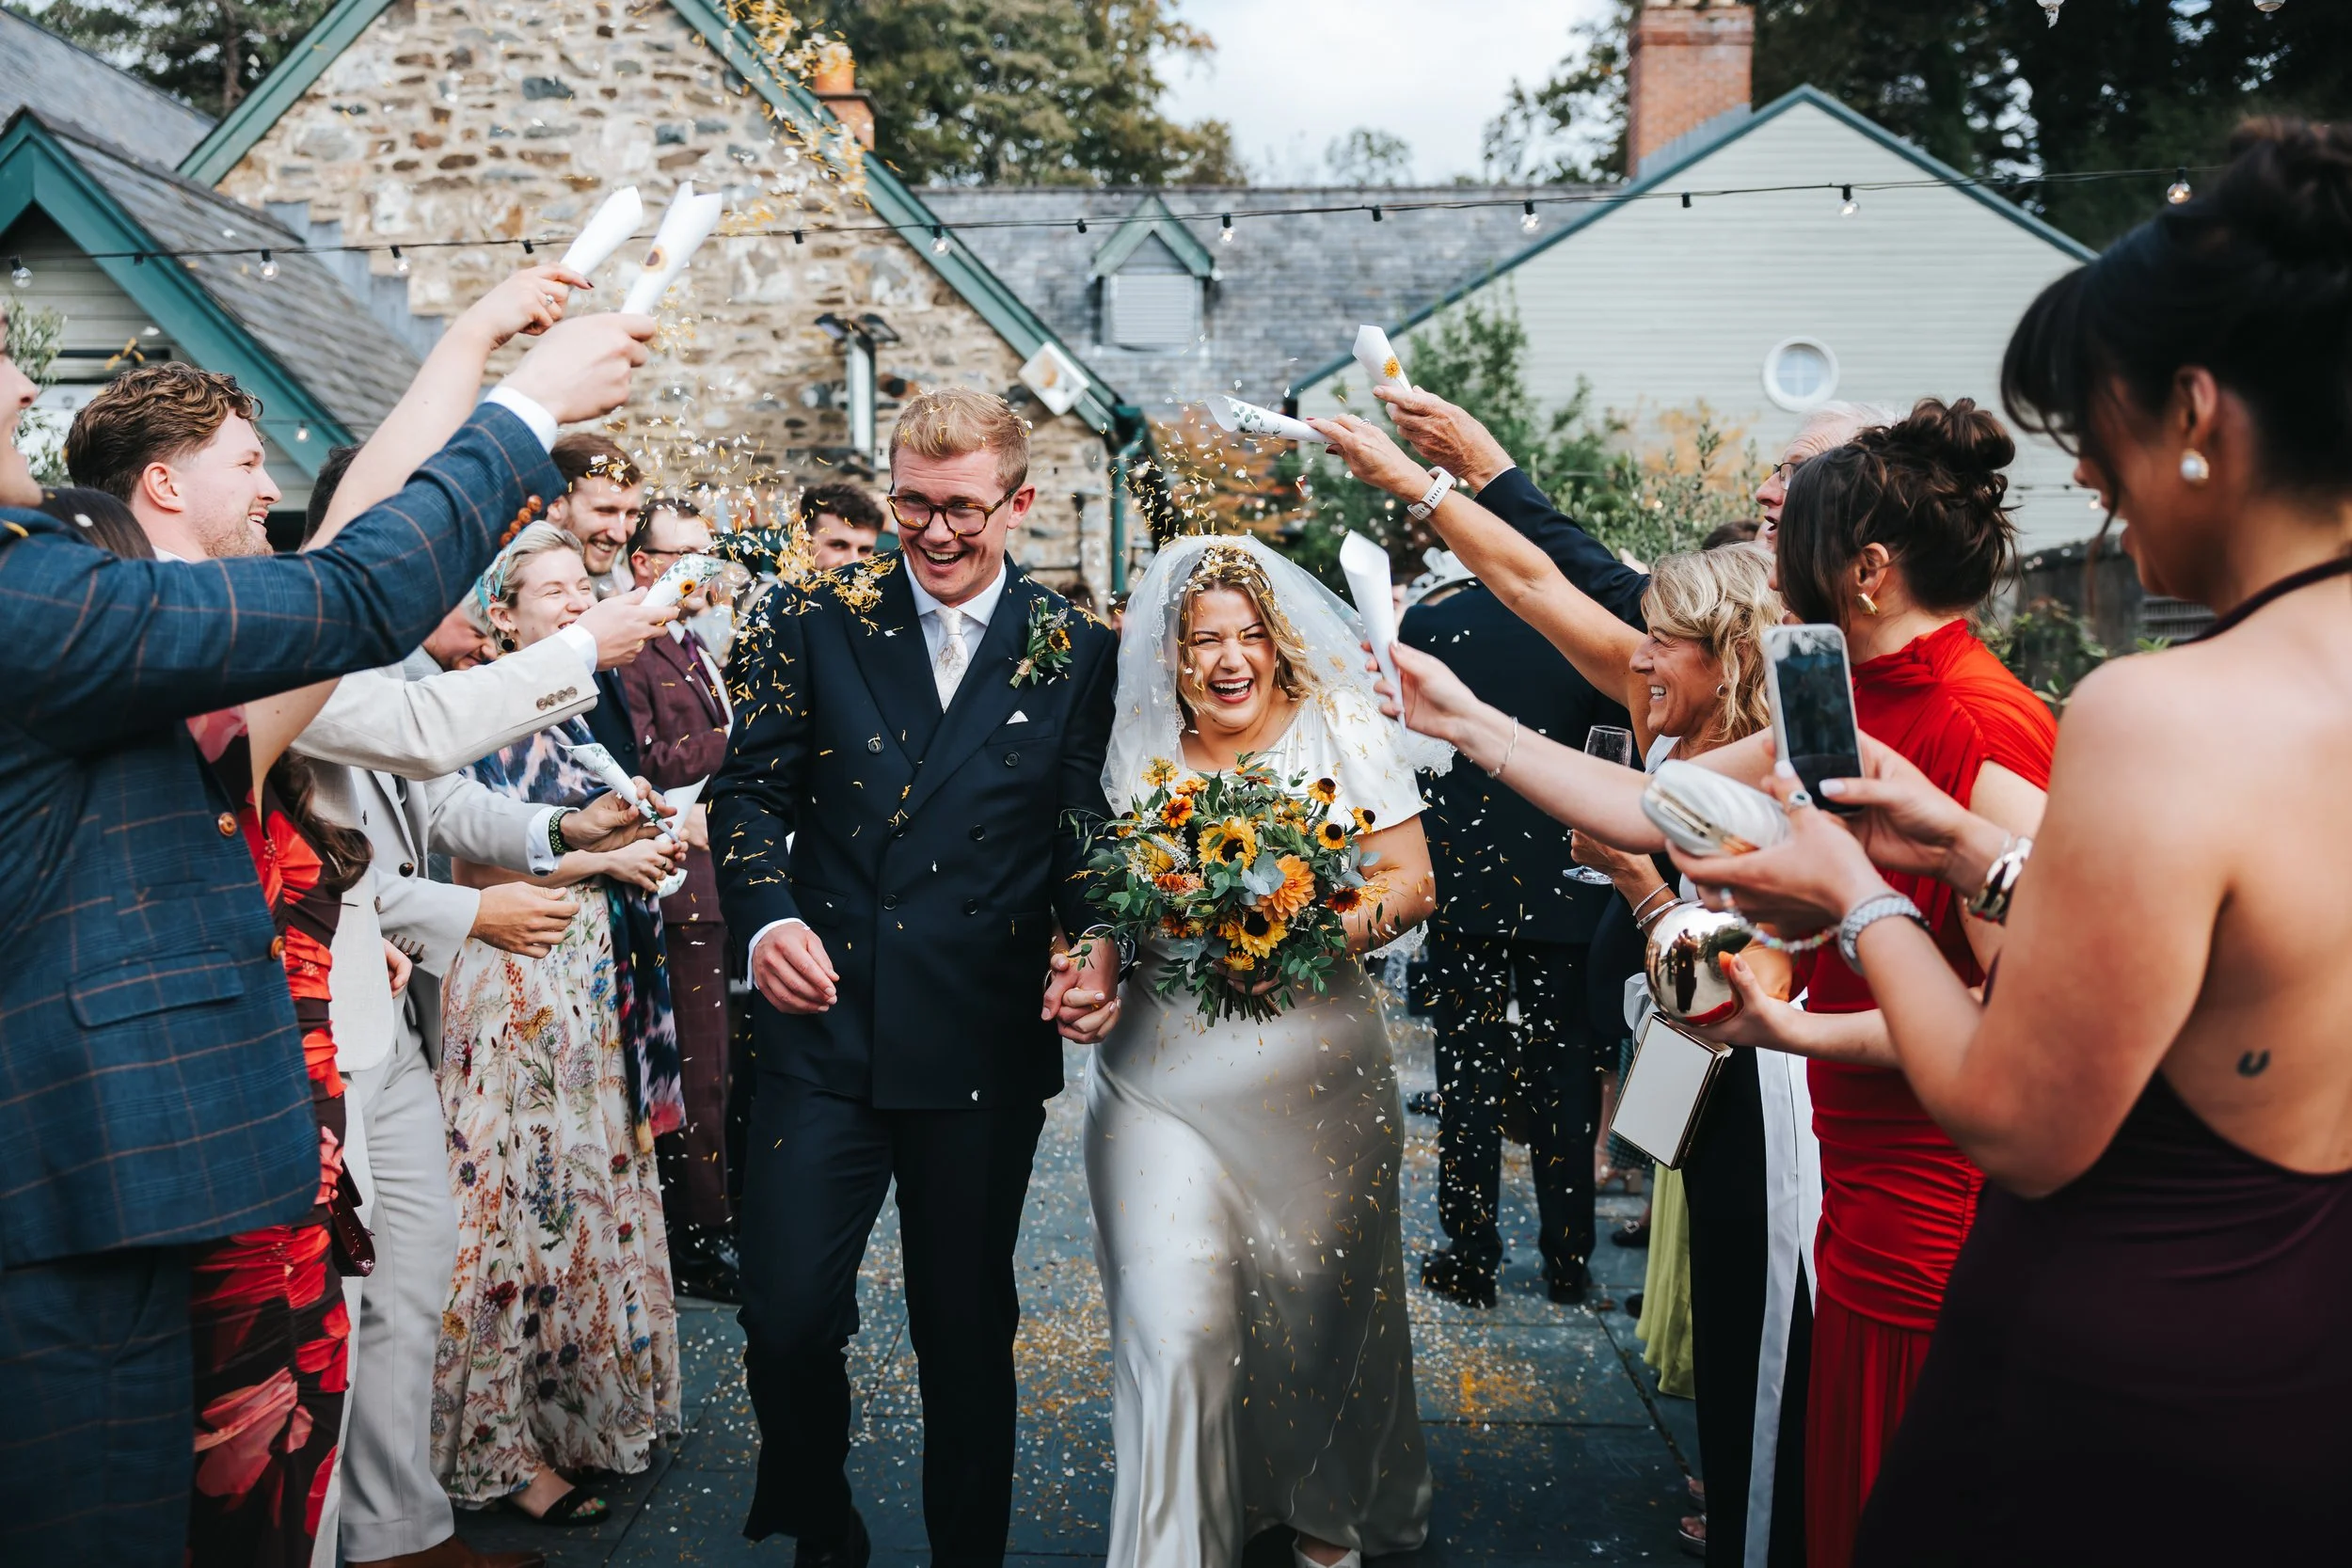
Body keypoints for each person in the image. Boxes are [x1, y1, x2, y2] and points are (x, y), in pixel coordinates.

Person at [1676, 116, 2352, 1568]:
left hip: (2118, 1364)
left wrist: (1859, 892)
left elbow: (2015, 1115)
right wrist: (1976, 857)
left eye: (2095, 439)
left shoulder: (2159, 711)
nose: (2093, 492)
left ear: (2194, 410)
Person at [0, 296, 653, 1567]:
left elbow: (343, 575)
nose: (20, 386)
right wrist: (524, 414)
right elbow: (357, 600)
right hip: (101, 1167)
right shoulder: (43, 607)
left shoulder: (165, 684)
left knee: (262, 1452)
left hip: (197, 1155)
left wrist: (469, 353)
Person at [1315, 406, 1809, 1568]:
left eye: (1658, 639)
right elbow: (1537, 582)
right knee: (1712, 1292)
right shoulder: (1671, 709)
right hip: (1670, 1038)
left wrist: (1641, 889)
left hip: (1752, 1073)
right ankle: (1732, 1481)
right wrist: (1428, 483)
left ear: (1726, 654)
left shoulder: (1759, 769)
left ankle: (1753, 1514)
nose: (1633, 651)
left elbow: (1739, 966)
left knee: (1756, 1317)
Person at [286, 265, 675, 1568]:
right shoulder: (308, 648)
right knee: (349, 1293)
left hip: (388, 1013)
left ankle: (401, 1524)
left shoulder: (387, 644)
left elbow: (444, 798)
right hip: (332, 1020)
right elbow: (407, 769)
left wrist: (568, 836)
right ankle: (343, 1528)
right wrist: (585, 649)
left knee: (412, 1274)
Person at [710, 386, 1121, 1568]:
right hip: (821, 1026)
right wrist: (765, 917)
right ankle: (821, 1524)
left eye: (961, 509)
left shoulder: (1073, 648)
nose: (934, 534)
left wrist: (1098, 945)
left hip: (977, 1037)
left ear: (1019, 501)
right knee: (784, 1316)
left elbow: (1082, 833)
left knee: (962, 1331)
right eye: (911, 506)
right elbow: (748, 790)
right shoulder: (810, 612)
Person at [1089, 535, 1442, 1568]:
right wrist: (1090, 959)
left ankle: (1322, 1505)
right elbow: (1105, 899)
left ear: (1279, 644)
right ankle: (1170, 1543)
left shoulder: (1339, 725)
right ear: (1172, 654)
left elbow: (1410, 880)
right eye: (1204, 639)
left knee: (1318, 1309)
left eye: (1248, 635)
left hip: (1316, 1075)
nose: (1228, 658)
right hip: (1160, 1077)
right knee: (1174, 1315)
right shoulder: (1135, 745)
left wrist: (1307, 932)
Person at [432, 523, 687, 1525]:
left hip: (579, 988)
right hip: (509, 986)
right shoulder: (483, 711)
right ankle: (497, 1446)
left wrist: (647, 834)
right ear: (505, 612)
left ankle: (574, 1416)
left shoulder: (567, 716)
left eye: (585, 584)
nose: (578, 602)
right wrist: (605, 861)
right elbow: (471, 864)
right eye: (552, 591)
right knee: (507, 1213)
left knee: (575, 1205)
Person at [1399, 561, 1621, 1308]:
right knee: (1567, 1080)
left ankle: (1471, 1254)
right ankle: (1567, 1260)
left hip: (1466, 885)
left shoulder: (1429, 620)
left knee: (1467, 1078)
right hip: (1568, 886)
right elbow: (1608, 752)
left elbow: (1410, 757)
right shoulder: (1584, 624)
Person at [616, 496, 745, 1303]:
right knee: (695, 1070)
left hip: (711, 878)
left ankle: (717, 1218)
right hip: (674, 884)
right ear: (643, 564)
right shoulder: (630, 650)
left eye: (708, 554)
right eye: (683, 555)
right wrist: (744, 733)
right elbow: (645, 759)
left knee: (723, 1068)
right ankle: (698, 1239)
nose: (701, 569)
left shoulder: (689, 642)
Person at [546, 433, 644, 598]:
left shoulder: (624, 583)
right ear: (556, 505)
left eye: (631, 514)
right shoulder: (508, 590)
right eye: (605, 511)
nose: (620, 536)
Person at [799, 479, 888, 570]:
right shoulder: (784, 581)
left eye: (864, 550)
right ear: (803, 541)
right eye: (838, 546)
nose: (853, 562)